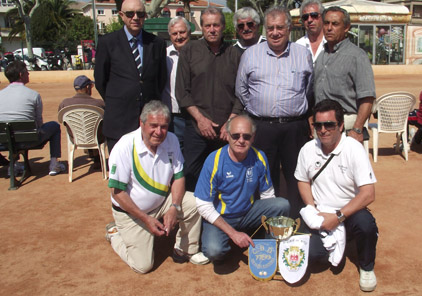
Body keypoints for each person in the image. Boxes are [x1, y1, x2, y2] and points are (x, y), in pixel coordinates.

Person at [105, 100, 208, 274]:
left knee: (195, 203)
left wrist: (174, 206)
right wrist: (145, 218)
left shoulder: (172, 140)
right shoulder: (124, 146)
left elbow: (179, 177)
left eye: (164, 127)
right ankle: (114, 233)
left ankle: (184, 250)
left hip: (162, 203)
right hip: (133, 213)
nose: (159, 132)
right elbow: (117, 193)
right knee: (143, 266)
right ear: (141, 123)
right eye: (153, 126)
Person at [236, 5, 313, 217]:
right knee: (263, 177)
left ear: (289, 29)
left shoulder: (302, 54)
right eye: (270, 28)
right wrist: (258, 109)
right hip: (262, 128)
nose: (275, 32)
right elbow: (241, 90)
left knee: (297, 176)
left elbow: (309, 89)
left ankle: (297, 223)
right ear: (265, 30)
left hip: (294, 128)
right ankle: (265, 226)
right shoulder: (251, 55)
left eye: (280, 27)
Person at [295, 99, 378, 292]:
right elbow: (302, 180)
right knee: (315, 257)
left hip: (349, 212)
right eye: (318, 125)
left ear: (340, 126)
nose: (323, 130)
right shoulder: (308, 149)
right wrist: (312, 209)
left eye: (329, 124)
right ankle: (341, 239)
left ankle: (367, 267)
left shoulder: (354, 149)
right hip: (322, 213)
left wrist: (338, 217)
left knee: (366, 225)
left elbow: (368, 194)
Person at [194, 115, 290, 263]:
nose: (241, 140)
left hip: (248, 213)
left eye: (246, 136)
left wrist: (266, 223)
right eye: (235, 135)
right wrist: (233, 234)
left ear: (253, 137)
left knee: (281, 205)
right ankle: (228, 241)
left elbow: (267, 194)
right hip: (222, 217)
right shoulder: (214, 160)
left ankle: (268, 245)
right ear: (227, 135)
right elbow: (203, 205)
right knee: (214, 251)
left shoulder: (259, 157)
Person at [175, 7, 243, 192]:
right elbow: (182, 92)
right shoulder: (189, 51)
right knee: (190, 175)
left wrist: (230, 122)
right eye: (207, 25)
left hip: (225, 132)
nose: (212, 29)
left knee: (227, 177)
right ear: (202, 27)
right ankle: (193, 218)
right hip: (197, 129)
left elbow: (242, 93)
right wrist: (200, 120)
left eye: (216, 25)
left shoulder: (235, 54)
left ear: (223, 27)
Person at [95, 0, 167, 152]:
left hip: (150, 121)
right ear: (121, 15)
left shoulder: (157, 43)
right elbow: (101, 79)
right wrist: (120, 97)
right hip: (119, 119)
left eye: (140, 14)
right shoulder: (107, 42)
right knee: (121, 172)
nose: (135, 18)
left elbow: (160, 79)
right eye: (130, 14)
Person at [314, 6, 376, 143]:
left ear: (346, 27)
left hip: (346, 126)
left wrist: (357, 129)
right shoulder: (321, 56)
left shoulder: (357, 56)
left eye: (335, 24)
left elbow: (367, 97)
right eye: (326, 23)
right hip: (321, 127)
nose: (329, 28)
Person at [0, 60, 65, 176]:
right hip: (29, 140)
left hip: (3, 141)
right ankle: (54, 164)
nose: (28, 74)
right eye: (27, 72)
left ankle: (13, 166)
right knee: (54, 126)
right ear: (21, 75)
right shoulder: (33, 95)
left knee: (9, 130)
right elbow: (39, 123)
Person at [58, 75, 106, 169]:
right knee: (97, 126)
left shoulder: (65, 103)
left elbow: (62, 121)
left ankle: (92, 154)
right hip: (97, 137)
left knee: (82, 126)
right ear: (88, 87)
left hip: (76, 138)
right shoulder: (99, 103)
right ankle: (96, 156)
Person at [161, 16, 191, 150]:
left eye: (182, 32)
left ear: (189, 32)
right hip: (173, 114)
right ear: (170, 36)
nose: (179, 36)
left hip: (195, 114)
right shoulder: (164, 56)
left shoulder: (199, 54)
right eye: (174, 33)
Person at [296, 0, 326, 65]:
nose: (309, 20)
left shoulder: (331, 44)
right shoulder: (298, 46)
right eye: (305, 17)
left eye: (314, 15)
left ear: (323, 16)